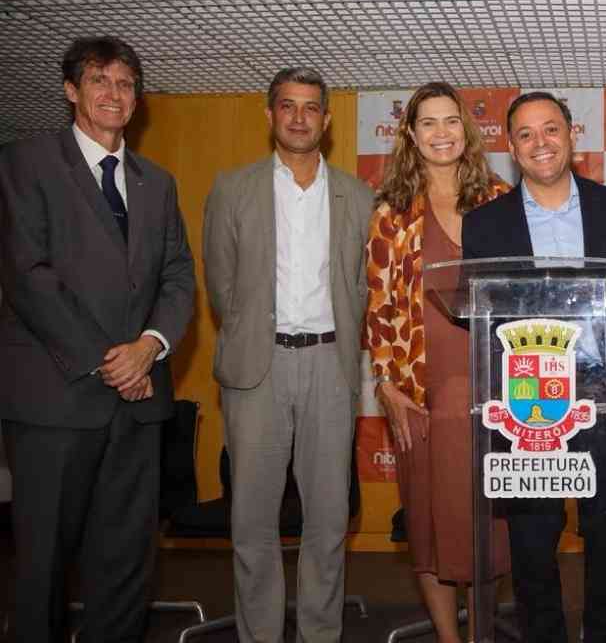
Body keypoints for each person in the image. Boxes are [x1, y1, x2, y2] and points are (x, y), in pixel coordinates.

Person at [0, 35, 195, 642]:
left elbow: (178, 275)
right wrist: (106, 360)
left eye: (126, 84)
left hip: (138, 405)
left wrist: (150, 347)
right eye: (99, 81)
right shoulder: (23, 163)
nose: (114, 94)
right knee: (43, 564)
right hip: (55, 402)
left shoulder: (156, 182)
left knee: (125, 563)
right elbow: (28, 276)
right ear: (71, 91)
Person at [203, 67, 374, 643]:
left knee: (328, 520)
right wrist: (258, 337)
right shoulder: (232, 187)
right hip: (258, 369)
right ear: (270, 114)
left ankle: (321, 635)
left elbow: (360, 284)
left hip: (330, 367)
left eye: (310, 108)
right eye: (287, 106)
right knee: (253, 522)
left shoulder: (357, 194)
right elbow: (221, 286)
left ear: (326, 121)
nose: (299, 117)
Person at [462, 91, 606, 643]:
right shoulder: (485, 223)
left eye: (551, 129)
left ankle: (603, 634)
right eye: (526, 134)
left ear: (572, 135)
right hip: (525, 398)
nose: (541, 143)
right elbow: (482, 321)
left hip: (603, 393)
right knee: (533, 538)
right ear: (512, 148)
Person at [365, 82, 511, 643]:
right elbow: (377, 305)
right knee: (429, 526)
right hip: (420, 392)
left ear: (466, 130)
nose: (442, 133)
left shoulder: (499, 198)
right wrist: (385, 383)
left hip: (498, 391)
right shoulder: (392, 213)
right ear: (411, 133)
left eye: (451, 121)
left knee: (491, 527)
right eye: (428, 123)